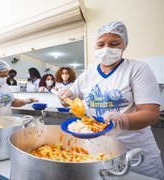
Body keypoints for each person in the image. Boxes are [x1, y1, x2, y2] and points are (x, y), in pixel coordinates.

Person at [58, 21, 164, 179]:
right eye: (101, 44)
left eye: (114, 43)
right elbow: (72, 97)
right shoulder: (87, 75)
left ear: (124, 45)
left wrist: (122, 120)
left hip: (135, 155)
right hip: (98, 151)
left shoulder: (137, 69)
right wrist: (65, 96)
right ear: (95, 46)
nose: (106, 48)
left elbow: (151, 113)